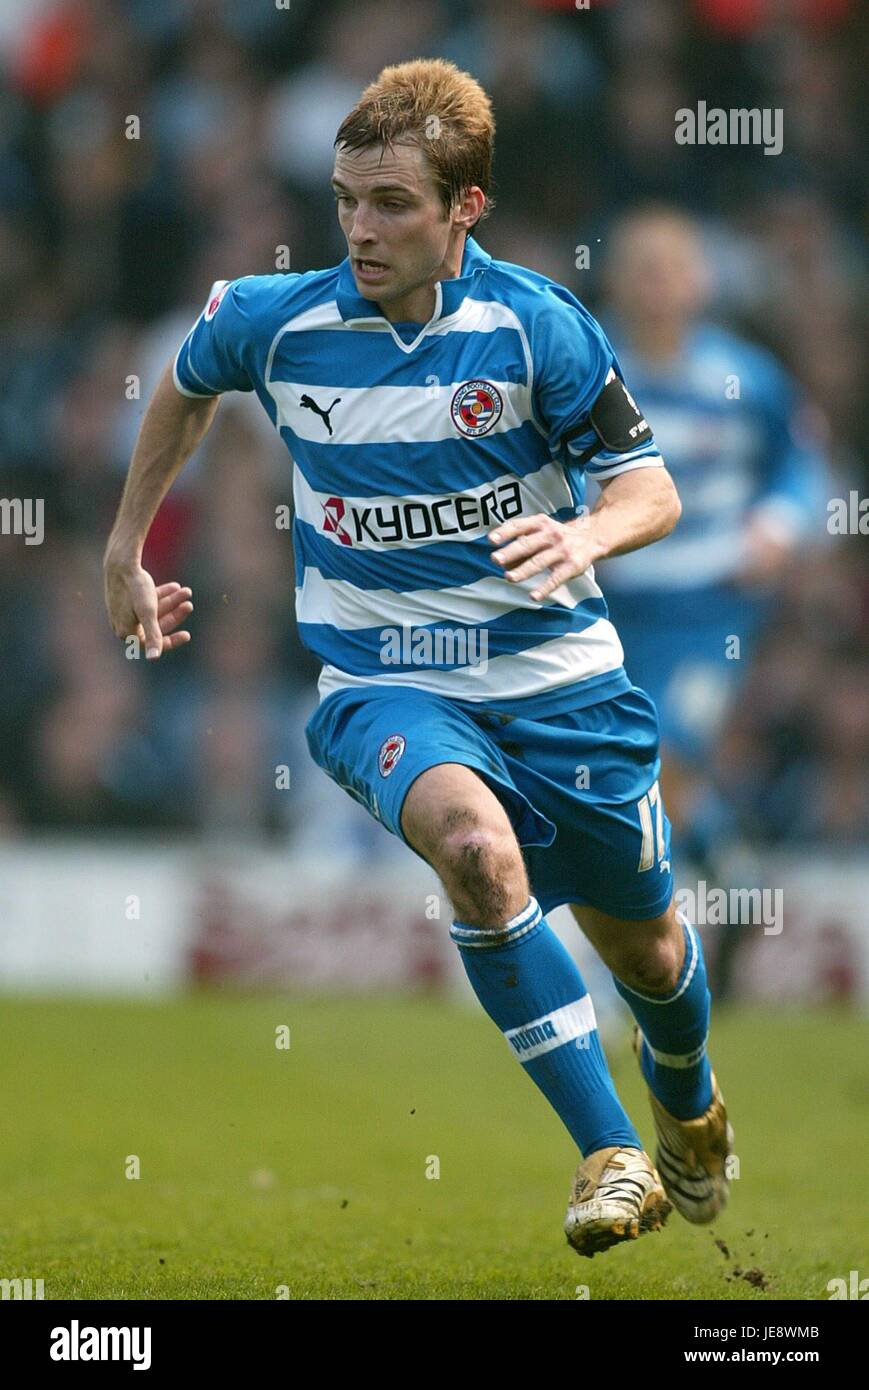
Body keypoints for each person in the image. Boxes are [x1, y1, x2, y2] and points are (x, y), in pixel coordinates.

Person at [104, 59, 731, 1258]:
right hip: (384, 680)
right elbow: (183, 384)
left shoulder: (536, 324)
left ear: (465, 210)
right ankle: (609, 1152)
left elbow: (647, 487)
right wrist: (124, 545)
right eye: (345, 198)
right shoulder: (275, 321)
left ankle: (687, 1093)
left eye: (392, 203)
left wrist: (584, 529)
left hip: (559, 682)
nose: (359, 228)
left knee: (645, 945)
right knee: (471, 849)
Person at [597, 207, 828, 993]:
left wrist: (777, 523)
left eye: (669, 268)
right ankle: (729, 875)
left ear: (698, 281)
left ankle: (655, 958)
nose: (654, 285)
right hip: (607, 607)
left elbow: (802, 465)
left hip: (707, 612)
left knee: (657, 763)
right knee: (625, 774)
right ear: (616, 281)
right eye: (639, 268)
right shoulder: (591, 372)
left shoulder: (744, 378)